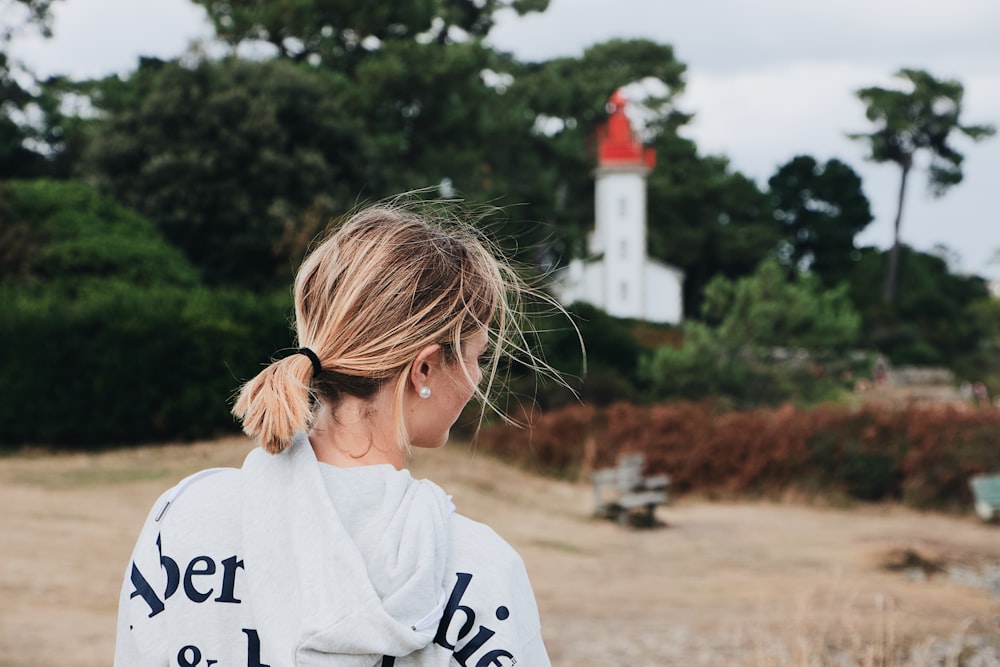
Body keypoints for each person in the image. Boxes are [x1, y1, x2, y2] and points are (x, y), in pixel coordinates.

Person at [114, 202, 566, 666]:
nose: (476, 378)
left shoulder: (182, 518)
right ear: (425, 367)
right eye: (478, 356)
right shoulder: (480, 568)